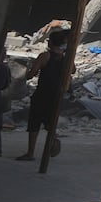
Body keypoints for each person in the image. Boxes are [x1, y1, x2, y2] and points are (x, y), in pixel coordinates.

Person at [16, 28, 69, 161]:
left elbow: (32, 74)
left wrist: (27, 72)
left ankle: (30, 152)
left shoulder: (45, 56)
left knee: (34, 123)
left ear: (50, 42)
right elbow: (72, 70)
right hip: (57, 94)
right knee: (50, 121)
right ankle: (53, 140)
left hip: (42, 93)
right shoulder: (65, 58)